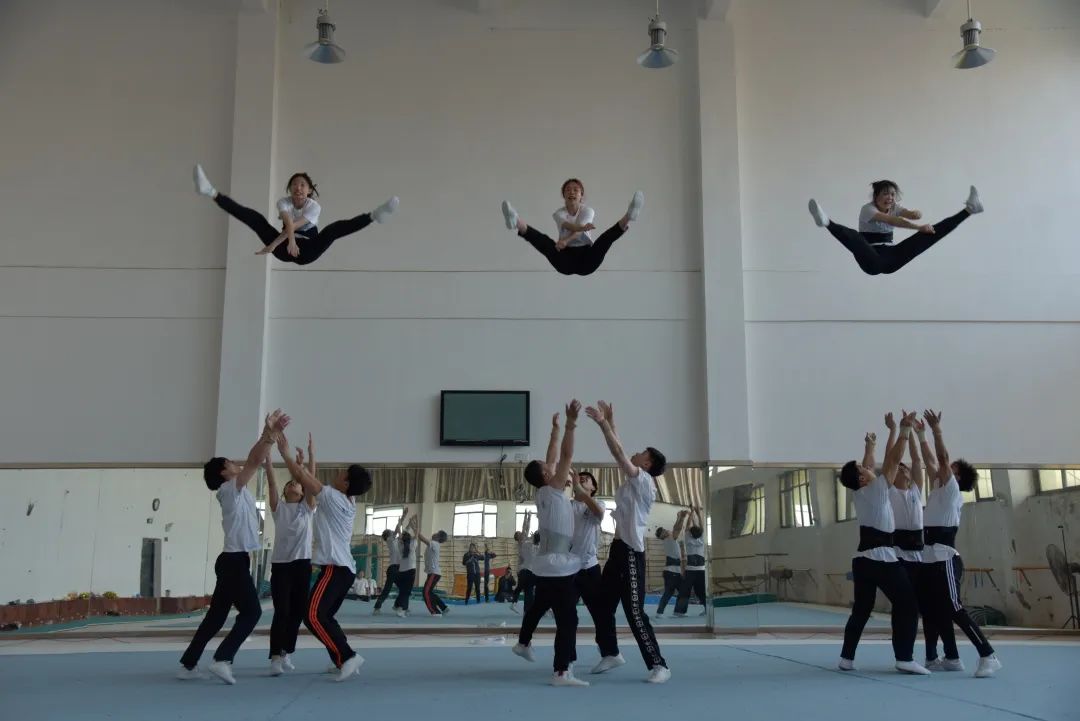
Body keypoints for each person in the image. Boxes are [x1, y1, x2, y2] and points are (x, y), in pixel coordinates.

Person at [178, 410, 285, 684]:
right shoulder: (229, 489)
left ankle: (188, 664)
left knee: (216, 618)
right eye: (229, 462)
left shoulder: (238, 490)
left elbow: (255, 459)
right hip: (233, 562)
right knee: (252, 612)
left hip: (232, 560)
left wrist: (268, 438)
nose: (236, 464)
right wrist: (268, 436)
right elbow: (253, 459)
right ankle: (223, 659)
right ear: (223, 472)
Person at [274, 424, 372, 681]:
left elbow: (304, 479)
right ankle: (341, 659)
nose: (338, 473)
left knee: (313, 615)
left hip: (334, 569)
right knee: (325, 616)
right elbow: (308, 481)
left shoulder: (333, 497)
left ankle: (348, 656)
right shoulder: (348, 499)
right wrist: (309, 460)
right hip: (344, 570)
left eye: (342, 473)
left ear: (346, 483)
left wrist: (285, 453)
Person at [585, 400, 672, 684]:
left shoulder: (644, 480)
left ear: (647, 464)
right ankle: (611, 653)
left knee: (634, 611)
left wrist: (602, 424)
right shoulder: (634, 479)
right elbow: (622, 450)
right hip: (618, 550)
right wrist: (611, 422)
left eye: (642, 453)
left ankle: (659, 665)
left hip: (632, 552)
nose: (636, 453)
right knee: (602, 606)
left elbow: (619, 452)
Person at [837, 411, 929, 675]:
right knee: (908, 604)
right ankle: (904, 658)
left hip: (863, 560)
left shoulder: (861, 493)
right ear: (862, 478)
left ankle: (846, 658)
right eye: (864, 469)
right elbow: (893, 461)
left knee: (862, 610)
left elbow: (873, 465)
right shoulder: (877, 490)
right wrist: (904, 430)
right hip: (881, 558)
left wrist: (870, 447)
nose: (869, 468)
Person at [919, 410, 1002, 678]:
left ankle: (988, 655)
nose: (944, 469)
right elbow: (931, 461)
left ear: (956, 479)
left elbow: (941, 458)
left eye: (951, 469)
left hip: (944, 558)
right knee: (934, 610)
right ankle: (952, 658)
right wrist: (920, 434)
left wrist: (936, 430)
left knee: (954, 608)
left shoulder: (952, 490)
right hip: (929, 558)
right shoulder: (938, 489)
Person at [512, 400, 588, 686]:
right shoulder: (554, 488)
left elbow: (554, 457)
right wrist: (570, 424)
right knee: (568, 619)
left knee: (540, 604)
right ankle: (561, 672)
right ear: (546, 474)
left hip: (546, 563)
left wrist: (554, 431)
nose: (552, 466)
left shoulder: (543, 492)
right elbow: (566, 455)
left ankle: (523, 642)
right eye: (549, 467)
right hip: (557, 565)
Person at [193, 164, 398, 266]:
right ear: (290, 189)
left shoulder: (314, 207)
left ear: (308, 190)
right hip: (285, 249)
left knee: (333, 230)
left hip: (308, 249)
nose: (298, 188)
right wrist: (279, 244)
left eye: (302, 185)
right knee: (256, 220)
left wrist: (277, 243)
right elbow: (288, 223)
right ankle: (211, 191)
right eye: (294, 185)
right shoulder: (283, 202)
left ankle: (374, 215)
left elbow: (295, 225)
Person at [808, 181, 983, 275]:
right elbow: (893, 221)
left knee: (931, 234)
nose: (890, 198)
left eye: (892, 194)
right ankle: (827, 222)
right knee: (855, 237)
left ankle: (970, 209)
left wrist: (915, 214)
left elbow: (907, 214)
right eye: (885, 194)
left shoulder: (894, 207)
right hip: (871, 259)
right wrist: (918, 227)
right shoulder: (868, 209)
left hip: (892, 258)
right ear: (876, 196)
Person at [501, 182, 644, 275]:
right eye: (568, 190)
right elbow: (572, 227)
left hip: (588, 259)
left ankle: (629, 215)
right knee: (545, 243)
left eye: (576, 190)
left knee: (605, 240)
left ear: (581, 195)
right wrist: (567, 240)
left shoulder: (588, 211)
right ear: (563, 195)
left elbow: (580, 230)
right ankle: (516, 221)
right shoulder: (558, 213)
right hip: (565, 259)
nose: (572, 192)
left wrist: (566, 240)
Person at [265, 434, 317, 676]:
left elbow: (311, 480)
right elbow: (272, 484)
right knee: (282, 611)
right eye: (290, 484)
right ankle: (275, 656)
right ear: (286, 492)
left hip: (302, 565)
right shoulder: (279, 508)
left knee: (298, 612)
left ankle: (286, 651)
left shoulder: (307, 508)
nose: (293, 485)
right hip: (281, 565)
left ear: (302, 491)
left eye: (296, 484)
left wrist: (310, 456)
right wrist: (268, 461)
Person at [372, 508, 408, 615]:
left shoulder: (395, 541)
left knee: (404, 589)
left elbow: (400, 532)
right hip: (393, 569)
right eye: (391, 532)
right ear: (388, 535)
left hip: (398, 568)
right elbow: (397, 529)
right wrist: (403, 516)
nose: (393, 532)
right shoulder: (390, 540)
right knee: (387, 589)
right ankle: (377, 608)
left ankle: (398, 606)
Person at [674, 506, 708, 617]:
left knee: (685, 590)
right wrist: (697, 513)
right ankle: (707, 608)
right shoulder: (702, 539)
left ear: (690, 533)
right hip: (701, 570)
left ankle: (679, 611)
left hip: (691, 571)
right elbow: (702, 526)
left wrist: (691, 513)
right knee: (701, 591)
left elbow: (688, 526)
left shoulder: (688, 539)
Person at [655, 510, 688, 617]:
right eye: (663, 531)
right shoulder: (669, 539)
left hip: (674, 572)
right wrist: (681, 518)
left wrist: (678, 517)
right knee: (670, 593)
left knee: (681, 592)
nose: (666, 530)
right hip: (671, 572)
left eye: (664, 529)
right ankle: (661, 612)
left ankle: (676, 611)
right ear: (662, 536)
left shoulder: (670, 539)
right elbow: (676, 529)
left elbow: (675, 528)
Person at [415, 521, 450, 617]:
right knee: (429, 592)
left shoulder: (435, 543)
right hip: (433, 573)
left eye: (436, 533)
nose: (434, 533)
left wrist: (415, 529)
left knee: (425, 592)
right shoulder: (434, 544)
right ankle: (443, 607)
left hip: (434, 573)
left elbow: (422, 538)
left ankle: (435, 612)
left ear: (438, 537)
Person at [393, 521, 418, 618]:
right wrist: (414, 525)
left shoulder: (400, 545)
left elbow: (400, 534)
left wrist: (402, 523)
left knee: (403, 590)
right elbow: (416, 533)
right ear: (410, 538)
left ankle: (398, 606)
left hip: (402, 571)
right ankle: (401, 609)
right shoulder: (412, 544)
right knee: (406, 592)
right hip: (411, 570)